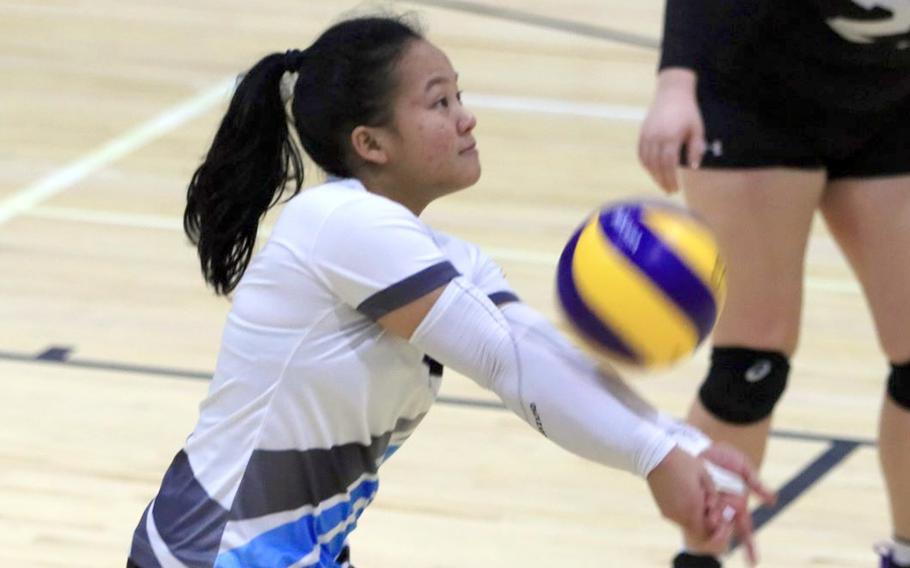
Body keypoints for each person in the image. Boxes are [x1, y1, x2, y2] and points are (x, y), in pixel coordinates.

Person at [127, 14, 772, 568]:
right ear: (370, 143)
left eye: (458, 96)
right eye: (440, 103)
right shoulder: (341, 225)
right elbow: (504, 363)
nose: (467, 118)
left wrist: (682, 443)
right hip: (212, 553)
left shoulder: (438, 255)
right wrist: (655, 459)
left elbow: (535, 349)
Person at [638, 1, 910, 567]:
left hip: (891, 93)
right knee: (752, 363)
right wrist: (675, 81)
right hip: (755, 91)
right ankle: (702, 560)